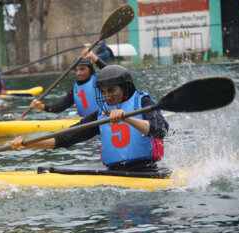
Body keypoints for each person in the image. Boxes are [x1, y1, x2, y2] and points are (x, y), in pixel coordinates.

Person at [10, 65, 169, 172]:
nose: (107, 96)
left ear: (125, 86)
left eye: (111, 90)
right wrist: (29, 143)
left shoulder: (142, 101)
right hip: (114, 172)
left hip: (146, 170)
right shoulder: (101, 114)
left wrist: (127, 118)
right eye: (103, 92)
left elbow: (161, 129)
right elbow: (65, 138)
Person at [29, 48, 108, 117]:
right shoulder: (75, 89)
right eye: (76, 70)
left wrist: (93, 57)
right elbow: (60, 107)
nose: (78, 73)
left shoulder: (98, 81)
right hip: (86, 123)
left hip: (102, 119)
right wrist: (41, 106)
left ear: (90, 70)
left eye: (82, 69)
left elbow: (113, 72)